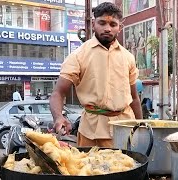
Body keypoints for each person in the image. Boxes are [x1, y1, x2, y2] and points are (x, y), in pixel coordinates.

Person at [50, 2, 142, 148]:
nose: (107, 28)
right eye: (102, 23)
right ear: (94, 24)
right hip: (90, 132)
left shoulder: (128, 57)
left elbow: (134, 99)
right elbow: (58, 93)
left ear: (119, 27)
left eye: (113, 24)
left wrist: (141, 127)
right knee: (88, 169)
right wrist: (59, 117)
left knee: (126, 169)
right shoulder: (79, 56)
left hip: (124, 130)